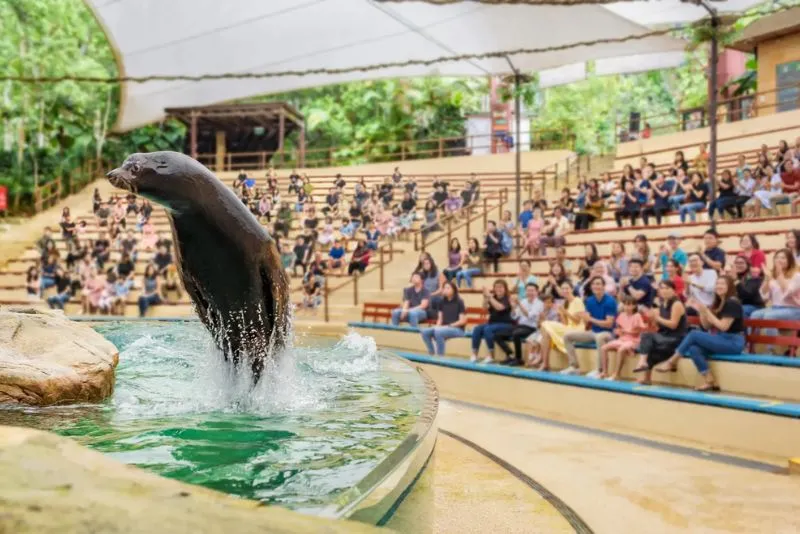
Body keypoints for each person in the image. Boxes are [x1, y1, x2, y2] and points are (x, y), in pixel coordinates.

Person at [658, 276, 745, 391]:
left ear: (730, 287)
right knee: (694, 349)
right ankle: (709, 380)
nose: (719, 286)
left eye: (722, 284)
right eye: (717, 283)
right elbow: (706, 326)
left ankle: (672, 361)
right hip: (721, 339)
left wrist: (707, 312)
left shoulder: (732, 302)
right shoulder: (718, 303)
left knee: (694, 334)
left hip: (733, 342)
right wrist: (702, 312)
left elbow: (723, 327)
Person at [633, 280, 687, 385]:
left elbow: (673, 325)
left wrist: (657, 317)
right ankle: (647, 378)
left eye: (667, 288)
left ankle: (642, 362)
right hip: (665, 338)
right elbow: (661, 326)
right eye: (662, 288)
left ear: (673, 290)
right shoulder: (663, 304)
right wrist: (652, 319)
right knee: (649, 348)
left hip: (676, 339)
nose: (664, 290)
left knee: (647, 335)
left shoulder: (677, 304)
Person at [562, 276, 618, 376]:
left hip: (608, 333)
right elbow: (587, 321)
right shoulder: (590, 300)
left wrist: (590, 319)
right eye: (594, 284)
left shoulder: (610, 301)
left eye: (598, 284)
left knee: (600, 337)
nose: (596, 286)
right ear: (591, 287)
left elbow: (609, 324)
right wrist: (582, 317)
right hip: (593, 332)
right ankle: (574, 367)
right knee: (567, 336)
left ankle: (600, 370)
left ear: (603, 286)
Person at [751, 249, 800, 348]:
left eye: (783, 258)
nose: (779, 260)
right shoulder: (772, 275)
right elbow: (764, 296)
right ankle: (750, 346)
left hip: (793, 309)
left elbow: (788, 291)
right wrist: (767, 278)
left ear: (789, 260)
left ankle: (771, 349)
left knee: (769, 316)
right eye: (777, 257)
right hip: (775, 308)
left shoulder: (797, 276)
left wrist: (779, 273)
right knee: (754, 315)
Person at [533, 280, 586, 371]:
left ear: (572, 289)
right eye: (563, 289)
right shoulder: (565, 302)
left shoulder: (577, 301)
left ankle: (544, 362)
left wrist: (564, 312)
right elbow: (565, 323)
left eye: (567, 288)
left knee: (545, 325)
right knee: (545, 327)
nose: (565, 290)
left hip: (578, 329)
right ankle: (545, 363)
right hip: (568, 328)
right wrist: (561, 314)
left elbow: (577, 321)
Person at [598, 296, 646, 380]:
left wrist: (626, 331)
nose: (627, 307)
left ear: (634, 306)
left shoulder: (637, 316)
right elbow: (618, 329)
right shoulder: (621, 315)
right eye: (625, 305)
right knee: (603, 348)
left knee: (621, 349)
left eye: (629, 305)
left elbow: (640, 330)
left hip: (634, 340)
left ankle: (616, 374)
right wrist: (618, 331)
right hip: (622, 339)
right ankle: (604, 372)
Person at [495, 283, 543, 366]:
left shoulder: (539, 303)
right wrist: (513, 307)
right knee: (497, 335)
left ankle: (518, 359)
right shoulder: (524, 301)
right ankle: (510, 355)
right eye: (528, 290)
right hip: (520, 326)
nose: (529, 292)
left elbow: (530, 316)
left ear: (537, 292)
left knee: (516, 333)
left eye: (532, 290)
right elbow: (514, 317)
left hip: (532, 327)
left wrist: (519, 304)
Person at [470, 280, 514, 363]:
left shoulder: (508, 298)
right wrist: (485, 298)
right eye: (496, 287)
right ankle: (474, 354)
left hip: (506, 324)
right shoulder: (493, 297)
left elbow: (499, 307)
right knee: (477, 328)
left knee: (488, 329)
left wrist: (490, 297)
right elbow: (484, 308)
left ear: (505, 289)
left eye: (501, 287)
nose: (498, 289)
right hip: (493, 323)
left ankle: (491, 355)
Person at [419, 281, 467, 356]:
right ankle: (431, 353)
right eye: (444, 288)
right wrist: (437, 326)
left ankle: (440, 356)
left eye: (448, 288)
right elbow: (440, 319)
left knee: (439, 331)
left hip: (458, 329)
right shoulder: (441, 301)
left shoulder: (459, 302)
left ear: (454, 290)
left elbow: (462, 321)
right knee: (425, 332)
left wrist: (449, 326)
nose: (445, 290)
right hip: (444, 327)